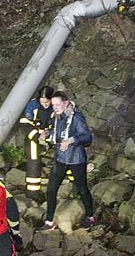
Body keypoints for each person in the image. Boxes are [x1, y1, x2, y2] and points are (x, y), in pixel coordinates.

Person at [40, 91, 96, 230]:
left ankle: (90, 216)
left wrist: (71, 140)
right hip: (60, 158)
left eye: (58, 104)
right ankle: (49, 221)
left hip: (76, 159)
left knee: (82, 189)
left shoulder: (76, 117)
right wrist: (47, 133)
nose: (55, 107)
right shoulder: (57, 116)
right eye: (53, 105)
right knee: (51, 189)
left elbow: (87, 137)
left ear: (65, 103)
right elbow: (56, 133)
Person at [19, 85, 55, 198]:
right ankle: (32, 192)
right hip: (34, 138)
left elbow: (57, 123)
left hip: (50, 137)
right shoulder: (33, 105)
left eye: (48, 101)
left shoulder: (55, 107)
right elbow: (25, 124)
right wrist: (37, 136)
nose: (46, 103)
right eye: (43, 101)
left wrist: (48, 133)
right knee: (34, 161)